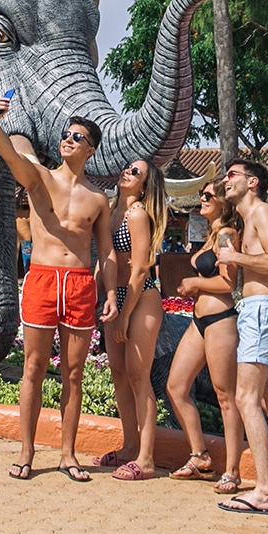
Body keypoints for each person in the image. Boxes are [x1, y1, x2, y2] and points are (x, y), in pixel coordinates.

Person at [0, 100, 115, 483]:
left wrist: (109, 292)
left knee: (74, 374)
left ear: (90, 149)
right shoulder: (40, 176)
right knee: (32, 369)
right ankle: (26, 453)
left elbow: (105, 250)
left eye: (77, 137)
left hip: (78, 285)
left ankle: (67, 454)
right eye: (65, 135)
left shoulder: (97, 198)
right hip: (43, 279)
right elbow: (10, 155)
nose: (68, 141)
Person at [215, 159, 268, 515]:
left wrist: (234, 255)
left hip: (262, 308)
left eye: (232, 175)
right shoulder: (248, 218)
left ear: (252, 182)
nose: (225, 180)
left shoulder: (264, 212)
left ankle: (264, 492)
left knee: (245, 398)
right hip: (262, 308)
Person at [166, 178, 246, 495]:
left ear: (225, 203)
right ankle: (199, 456)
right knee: (176, 386)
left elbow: (229, 283)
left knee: (226, 397)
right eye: (202, 194)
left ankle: (233, 471)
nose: (202, 198)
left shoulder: (227, 234)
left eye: (208, 195)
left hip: (221, 321)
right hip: (199, 321)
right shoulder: (211, 234)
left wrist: (195, 285)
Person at [94, 157, 168, 480]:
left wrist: (124, 315)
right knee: (119, 374)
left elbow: (140, 269)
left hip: (141, 298)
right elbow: (105, 260)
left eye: (135, 172)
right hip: (117, 298)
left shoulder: (137, 214)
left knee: (139, 375)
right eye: (127, 167)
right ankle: (129, 445)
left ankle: (146, 458)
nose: (127, 172)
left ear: (144, 184)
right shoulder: (111, 212)